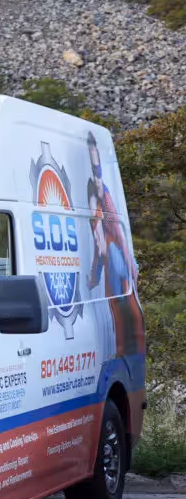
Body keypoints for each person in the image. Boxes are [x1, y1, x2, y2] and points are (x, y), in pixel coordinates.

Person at [84, 131, 143, 358]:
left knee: (121, 309)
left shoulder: (102, 198)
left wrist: (95, 277)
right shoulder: (98, 206)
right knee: (122, 310)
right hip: (115, 263)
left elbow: (107, 244)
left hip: (116, 260)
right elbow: (100, 250)